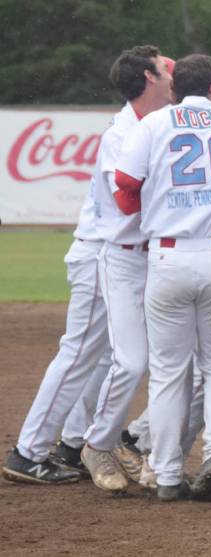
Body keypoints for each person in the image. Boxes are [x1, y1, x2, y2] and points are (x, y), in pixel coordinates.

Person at [114, 54, 211, 502]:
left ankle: (168, 474)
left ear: (173, 88)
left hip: (168, 253)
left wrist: (157, 201)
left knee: (170, 372)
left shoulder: (154, 124)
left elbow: (125, 186)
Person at [79, 46, 174, 495]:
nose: (171, 74)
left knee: (175, 364)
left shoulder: (164, 121)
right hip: (124, 256)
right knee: (131, 361)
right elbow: (126, 200)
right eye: (164, 68)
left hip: (160, 256)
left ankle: (151, 453)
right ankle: (96, 444)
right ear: (148, 78)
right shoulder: (121, 133)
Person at [3, 174, 109, 484]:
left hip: (108, 255)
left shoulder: (126, 143)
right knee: (77, 354)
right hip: (100, 256)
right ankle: (28, 453)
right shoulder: (127, 145)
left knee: (107, 354)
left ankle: (73, 445)